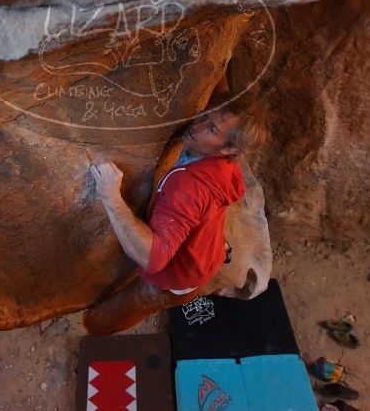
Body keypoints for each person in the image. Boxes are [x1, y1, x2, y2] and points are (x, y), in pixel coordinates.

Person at [83, 92, 267, 335]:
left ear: (228, 149)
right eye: (203, 116)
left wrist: (111, 196)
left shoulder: (187, 188)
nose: (196, 126)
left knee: (116, 312)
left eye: (211, 129)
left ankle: (94, 327)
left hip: (177, 280)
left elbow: (152, 258)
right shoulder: (223, 167)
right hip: (203, 257)